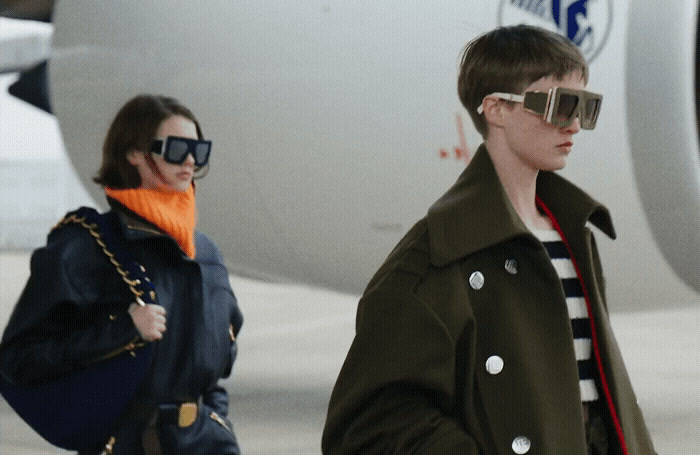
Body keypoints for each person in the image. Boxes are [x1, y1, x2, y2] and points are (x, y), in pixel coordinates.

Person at [322, 25, 656, 454]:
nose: (574, 124)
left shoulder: (574, 236)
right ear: (496, 109)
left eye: (586, 107)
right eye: (560, 105)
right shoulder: (436, 255)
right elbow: (371, 421)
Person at [0, 95, 243, 454]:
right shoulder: (83, 248)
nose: (190, 161)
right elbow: (18, 360)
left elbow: (215, 374)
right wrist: (123, 330)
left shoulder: (207, 256)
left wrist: (216, 425)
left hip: (206, 444)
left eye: (199, 150)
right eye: (177, 148)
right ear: (134, 154)